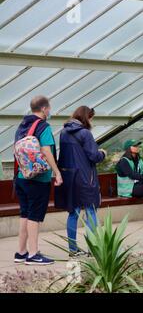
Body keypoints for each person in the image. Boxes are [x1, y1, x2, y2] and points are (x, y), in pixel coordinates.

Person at [14, 96, 62, 265]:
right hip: (38, 179)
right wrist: (57, 173)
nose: (50, 111)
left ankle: (21, 252)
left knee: (25, 214)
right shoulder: (43, 127)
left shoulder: (22, 126)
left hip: (21, 177)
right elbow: (46, 151)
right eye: (49, 108)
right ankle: (33, 254)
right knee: (34, 216)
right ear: (43, 109)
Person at [56, 106, 106, 256]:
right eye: (91, 118)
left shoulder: (63, 132)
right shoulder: (85, 133)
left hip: (70, 178)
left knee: (73, 213)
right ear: (87, 117)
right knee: (90, 212)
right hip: (85, 179)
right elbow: (94, 156)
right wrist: (102, 153)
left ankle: (73, 249)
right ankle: (93, 249)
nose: (91, 121)